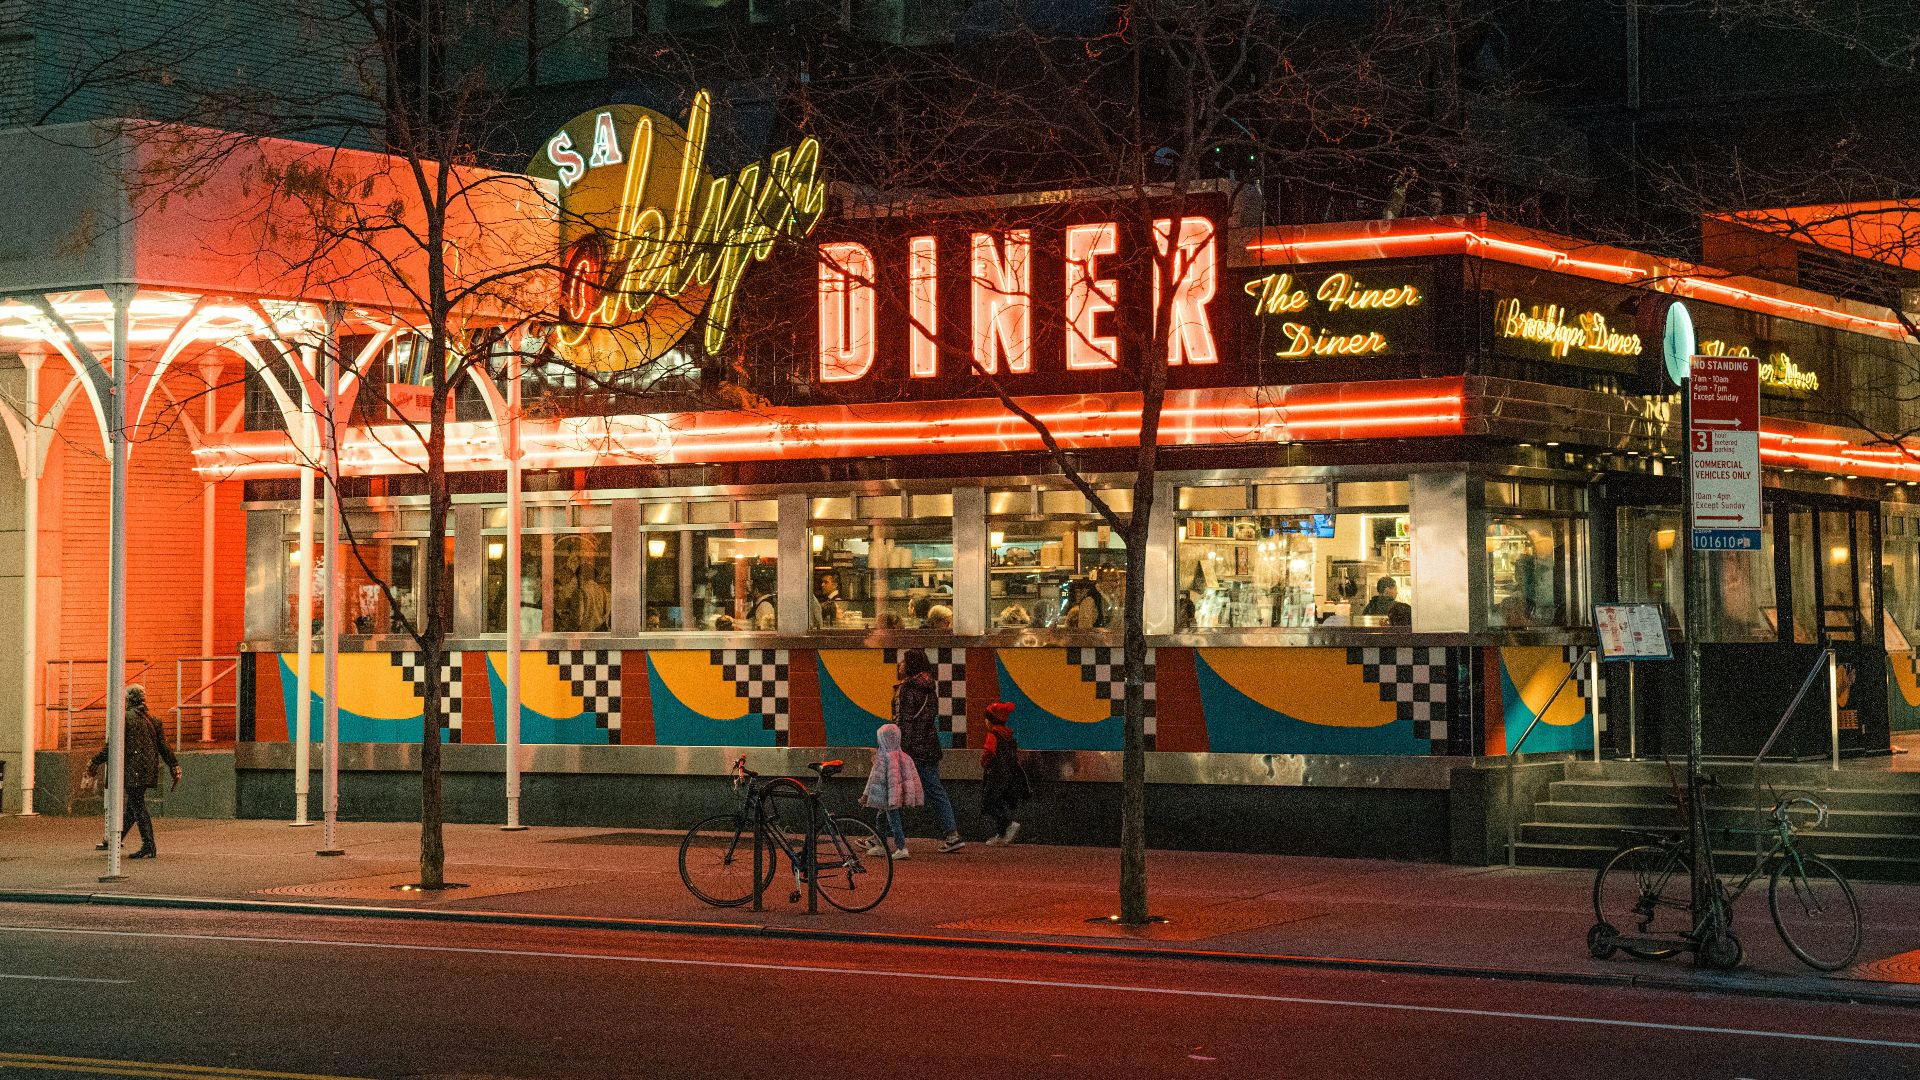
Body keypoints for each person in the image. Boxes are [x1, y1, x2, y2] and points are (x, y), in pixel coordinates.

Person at [84, 685, 180, 859]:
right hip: (147, 769)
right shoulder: (154, 719)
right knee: (133, 806)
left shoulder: (124, 719)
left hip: (132, 770)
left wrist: (94, 761)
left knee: (137, 805)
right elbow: (163, 747)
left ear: (128, 699)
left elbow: (111, 747)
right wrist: (174, 765)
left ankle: (149, 845)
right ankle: (115, 840)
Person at [894, 648, 964, 852]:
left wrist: (900, 750)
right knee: (935, 789)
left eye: (903, 662)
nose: (900, 665)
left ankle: (879, 836)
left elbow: (905, 723)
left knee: (892, 789)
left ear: (910, 665)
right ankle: (952, 833)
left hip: (912, 748)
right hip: (930, 745)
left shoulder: (908, 689)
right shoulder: (929, 687)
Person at [860, 722, 924, 860]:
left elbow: (873, 779)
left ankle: (900, 847)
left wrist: (865, 795)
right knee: (883, 818)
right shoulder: (905, 757)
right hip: (897, 796)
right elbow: (913, 778)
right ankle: (880, 844)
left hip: (887, 797)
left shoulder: (881, 759)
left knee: (892, 821)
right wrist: (912, 795)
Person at [979, 701, 1032, 845]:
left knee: (989, 803)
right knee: (999, 802)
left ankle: (1007, 826)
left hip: (995, 775)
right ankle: (1001, 835)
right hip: (1008, 775)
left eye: (986, 718)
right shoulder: (1008, 735)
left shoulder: (993, 735)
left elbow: (988, 753)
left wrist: (984, 762)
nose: (985, 721)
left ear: (991, 720)